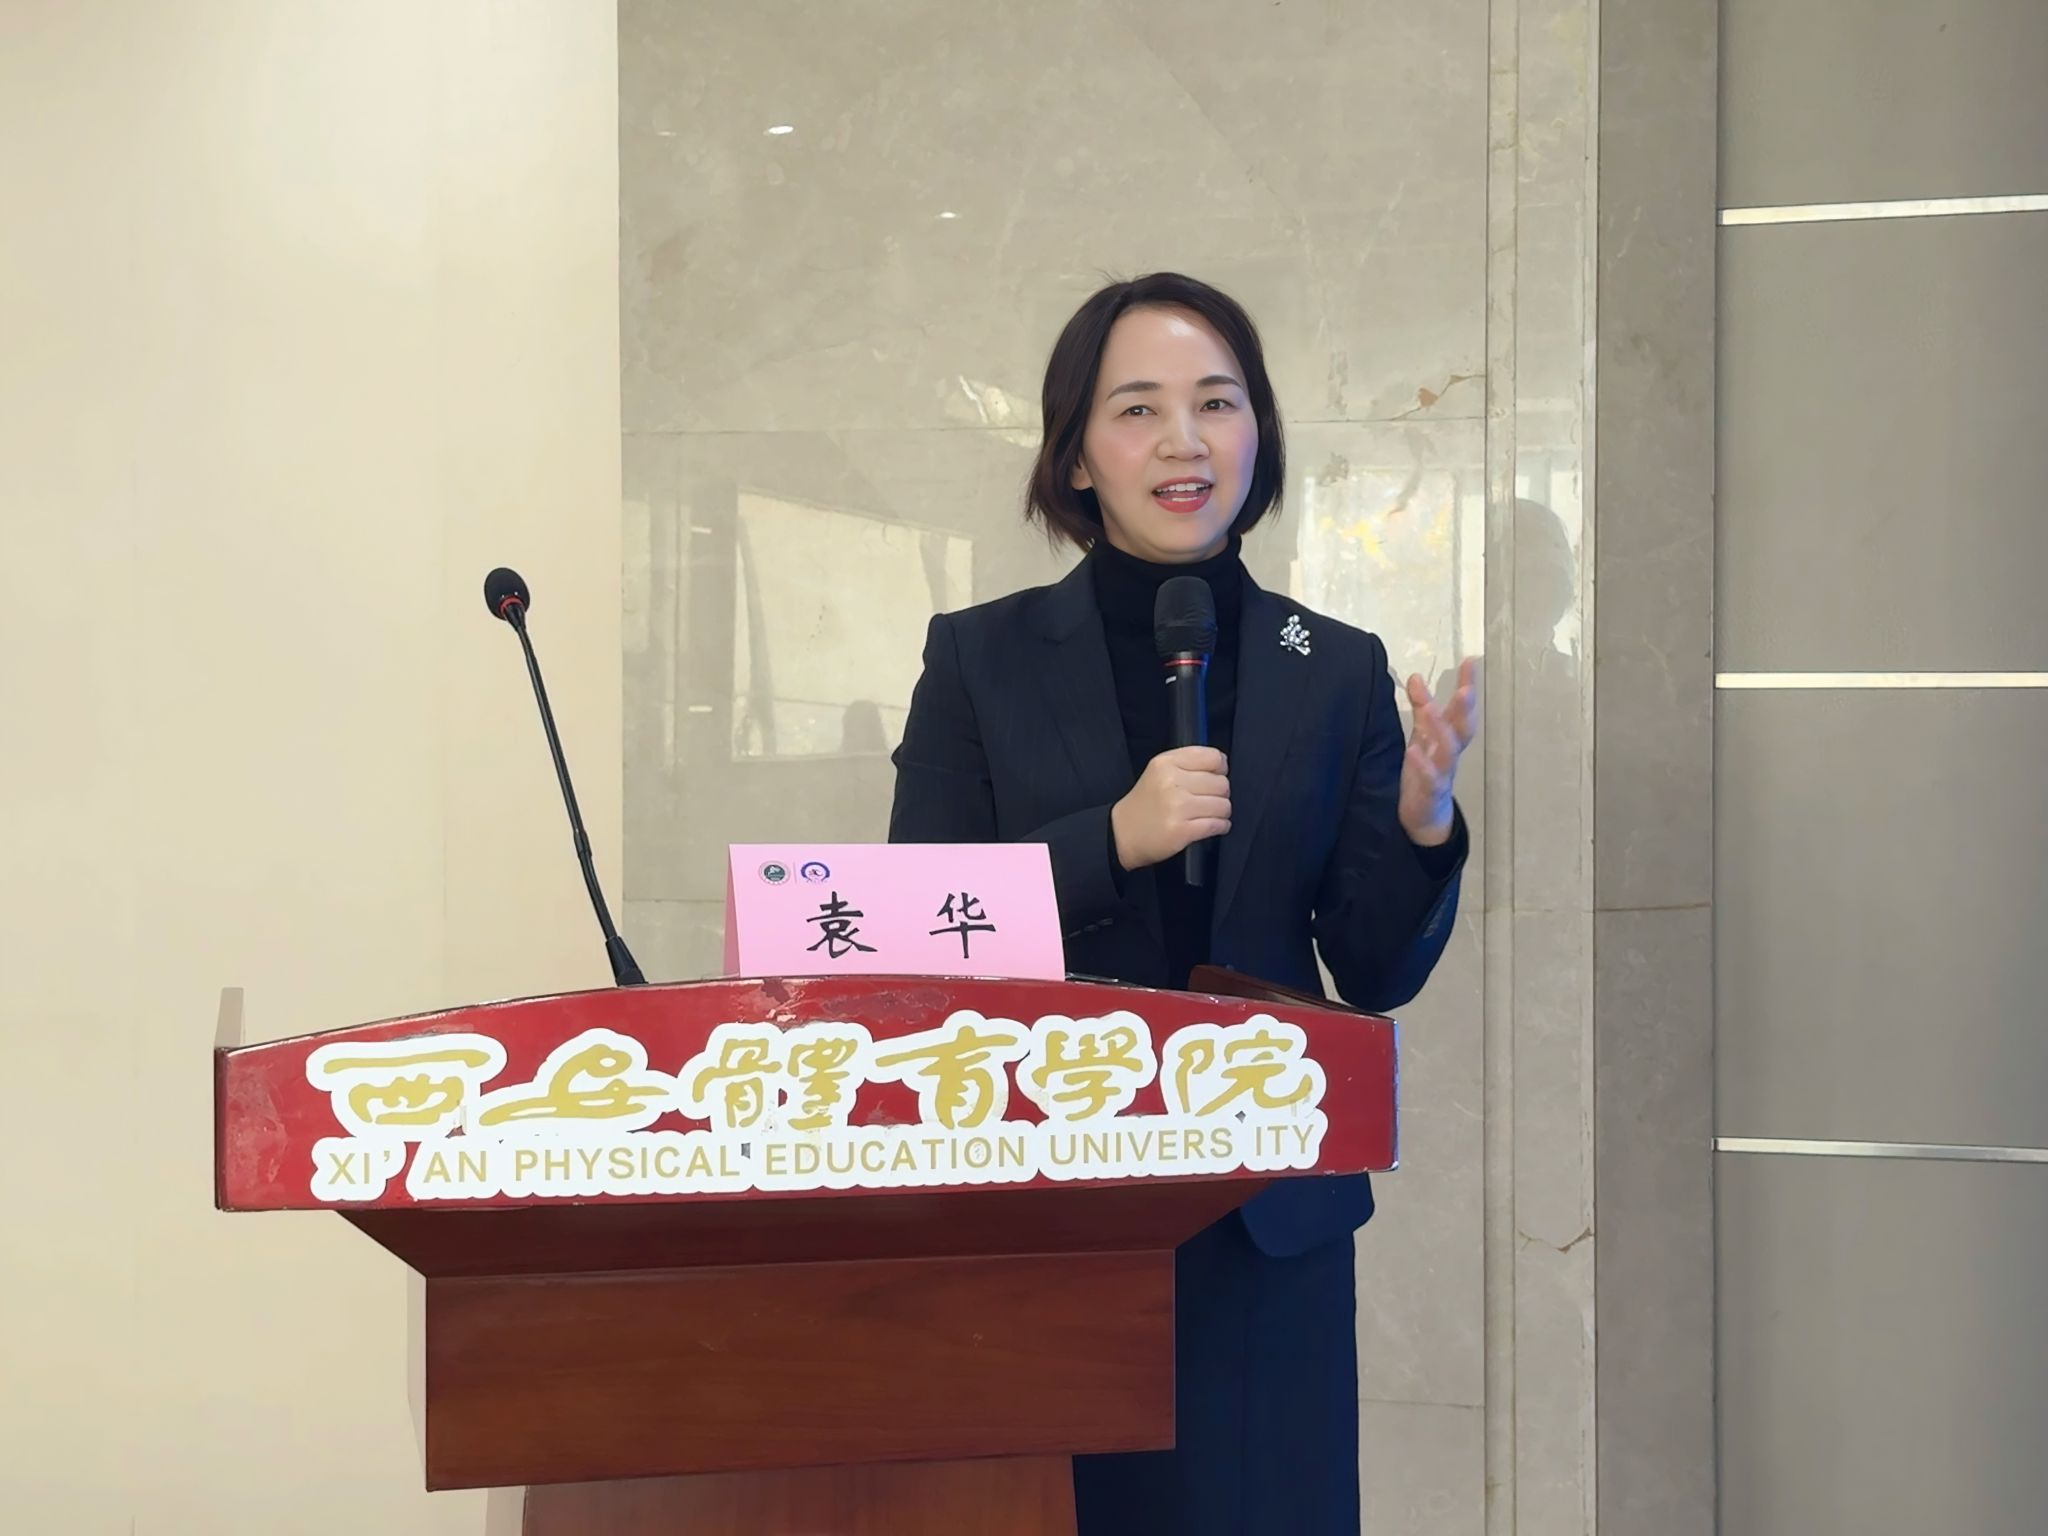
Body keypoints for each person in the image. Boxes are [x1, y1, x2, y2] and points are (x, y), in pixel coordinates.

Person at [887, 272, 1478, 1535]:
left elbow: (1372, 971)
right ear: (1076, 455)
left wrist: (1424, 823)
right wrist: (1110, 840)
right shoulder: (978, 657)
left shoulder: (1335, 668)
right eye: (1137, 409)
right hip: (1038, 1201)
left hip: (1261, 1213)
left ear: (1256, 433)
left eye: (1215, 403)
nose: (1182, 441)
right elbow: (912, 927)